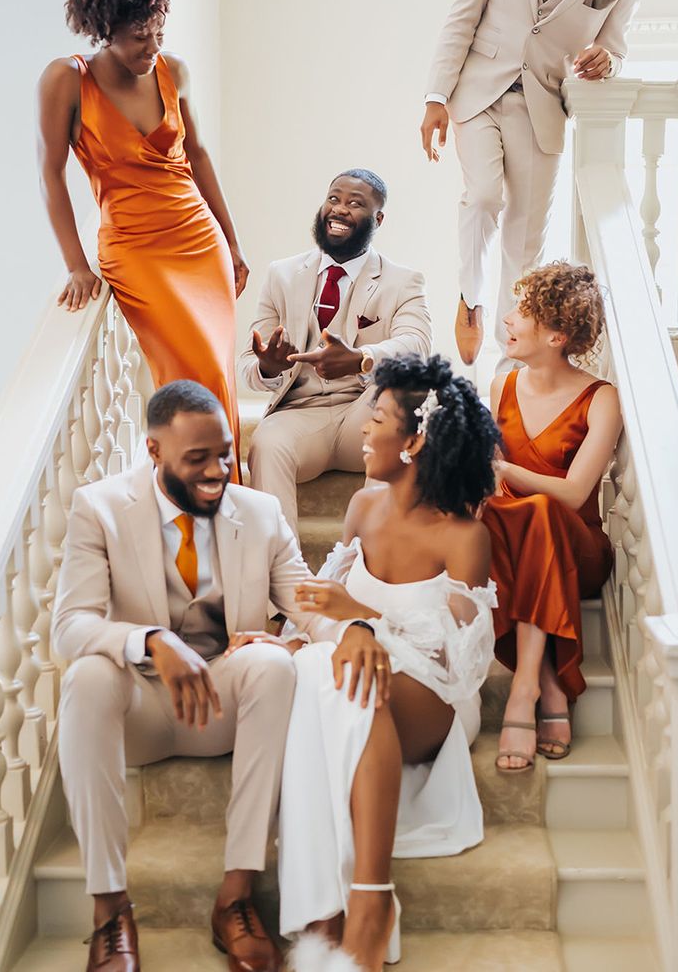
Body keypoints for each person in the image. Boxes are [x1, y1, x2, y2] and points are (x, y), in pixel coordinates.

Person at [52, 381, 325, 972]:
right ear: (153, 451)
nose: (217, 471)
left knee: (275, 663)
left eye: (224, 453)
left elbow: (308, 601)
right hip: (142, 708)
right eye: (196, 459)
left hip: (223, 703)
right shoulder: (98, 508)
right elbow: (70, 626)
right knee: (87, 679)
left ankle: (236, 897)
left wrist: (301, 636)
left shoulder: (260, 513)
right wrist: (150, 640)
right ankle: (110, 910)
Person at [241, 355, 499, 972]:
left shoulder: (462, 536)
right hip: (360, 682)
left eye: (375, 415)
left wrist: (361, 617)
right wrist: (285, 641)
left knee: (340, 679)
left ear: (414, 441)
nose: (360, 427)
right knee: (317, 674)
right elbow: (321, 610)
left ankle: (363, 902)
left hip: (434, 699)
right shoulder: (361, 507)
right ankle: (334, 910)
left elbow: (463, 663)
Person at [38, 0, 247, 478]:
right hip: (135, 249)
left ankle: (228, 493)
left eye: (159, 32)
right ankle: (198, 494)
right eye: (139, 37)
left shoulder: (174, 70)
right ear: (104, 29)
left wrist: (233, 242)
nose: (152, 47)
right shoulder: (68, 79)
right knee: (186, 370)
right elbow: (50, 173)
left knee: (216, 371)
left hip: (199, 239)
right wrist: (76, 265)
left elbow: (196, 155)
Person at [420, 0, 644, 368]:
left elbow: (615, 47)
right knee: (484, 196)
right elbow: (462, 18)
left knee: (525, 241)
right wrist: (436, 96)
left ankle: (512, 360)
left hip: (543, 105)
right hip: (477, 91)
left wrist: (608, 62)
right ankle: (470, 299)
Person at [481, 263, 622, 770]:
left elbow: (574, 492)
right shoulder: (501, 386)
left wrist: (503, 466)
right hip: (515, 550)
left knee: (538, 509)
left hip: (577, 549)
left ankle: (523, 692)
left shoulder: (601, 397)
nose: (507, 319)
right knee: (495, 517)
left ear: (557, 335)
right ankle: (547, 682)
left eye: (523, 312)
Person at [237, 170, 431, 535]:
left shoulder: (403, 280)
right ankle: (282, 576)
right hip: (300, 415)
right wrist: (268, 367)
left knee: (404, 394)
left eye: (355, 203)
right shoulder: (282, 274)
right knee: (266, 443)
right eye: (334, 199)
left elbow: (417, 346)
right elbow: (248, 363)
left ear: (378, 218)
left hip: (364, 415)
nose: (339, 210)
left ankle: (369, 560)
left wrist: (362, 358)